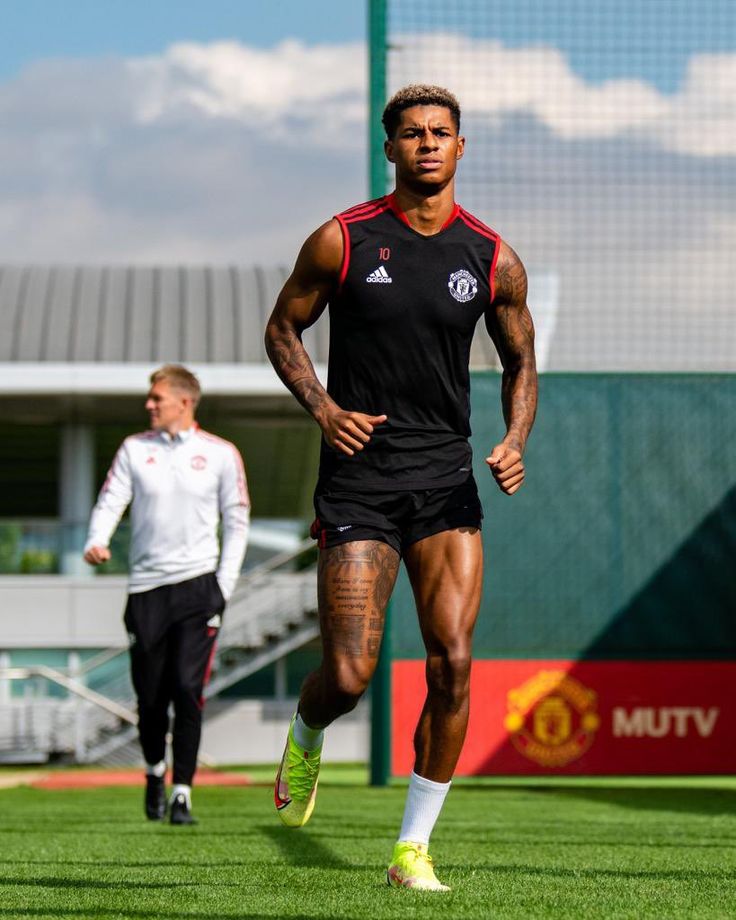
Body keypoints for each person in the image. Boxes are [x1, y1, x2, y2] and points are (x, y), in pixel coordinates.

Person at [264, 84, 537, 890]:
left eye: (441, 133)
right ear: (390, 148)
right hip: (359, 485)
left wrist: (516, 438)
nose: (426, 143)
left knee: (453, 662)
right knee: (348, 677)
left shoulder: (490, 256)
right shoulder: (342, 240)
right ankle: (308, 730)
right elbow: (283, 326)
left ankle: (412, 849)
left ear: (461, 147)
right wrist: (322, 407)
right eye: (411, 133)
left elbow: (521, 359)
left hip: (446, 483)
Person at [83, 364, 249, 825]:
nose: (149, 405)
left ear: (185, 401)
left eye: (157, 398)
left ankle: (182, 794)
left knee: (186, 689)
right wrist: (96, 539)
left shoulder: (220, 454)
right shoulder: (135, 450)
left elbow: (237, 522)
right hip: (145, 590)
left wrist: (223, 586)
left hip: (199, 588)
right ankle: (155, 771)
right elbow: (111, 499)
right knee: (151, 697)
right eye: (150, 398)